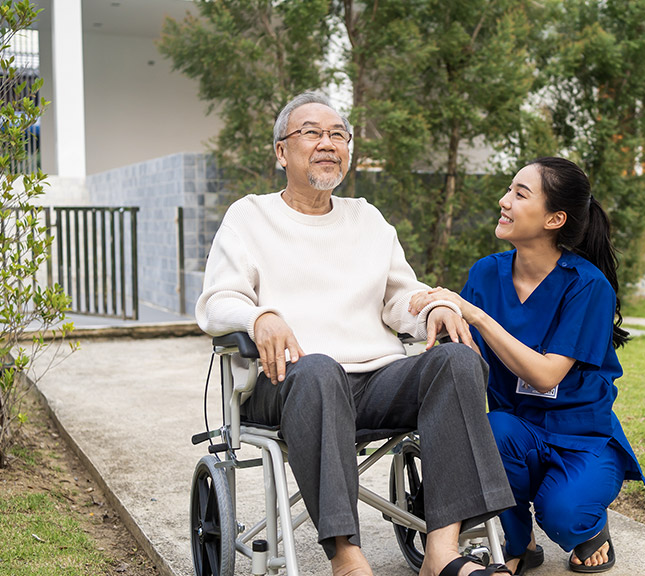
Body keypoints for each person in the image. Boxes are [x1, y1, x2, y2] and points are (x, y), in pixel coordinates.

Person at [196, 91, 515, 576]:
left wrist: (435, 308)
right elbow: (218, 300)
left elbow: (402, 298)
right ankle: (346, 558)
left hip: (373, 382)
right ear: (282, 152)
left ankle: (443, 552)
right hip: (288, 384)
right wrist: (259, 317)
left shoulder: (367, 218)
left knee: (458, 360)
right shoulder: (249, 217)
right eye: (311, 133)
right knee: (319, 367)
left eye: (338, 134)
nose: (327, 143)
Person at [410, 157, 645, 574]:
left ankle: (589, 525)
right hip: (515, 431)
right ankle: (521, 543)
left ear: (555, 218)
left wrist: (478, 316)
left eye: (520, 194)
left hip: (581, 436)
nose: (504, 201)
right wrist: (436, 308)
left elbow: (545, 374)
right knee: (494, 430)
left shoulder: (588, 286)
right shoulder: (487, 273)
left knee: (566, 515)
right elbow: (465, 348)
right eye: (509, 189)